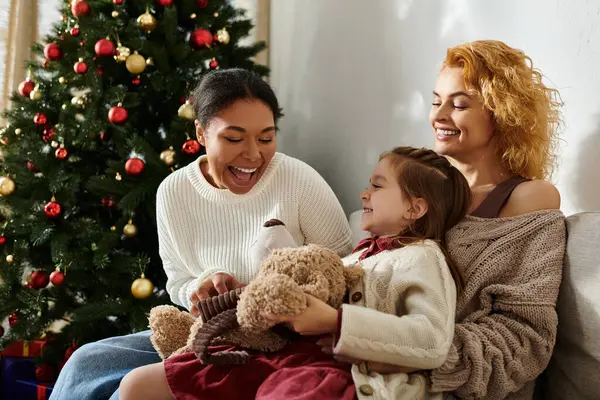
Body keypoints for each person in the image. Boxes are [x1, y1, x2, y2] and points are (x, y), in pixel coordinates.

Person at [49, 68, 353, 400]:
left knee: (127, 390)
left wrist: (282, 298)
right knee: (87, 363)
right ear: (201, 134)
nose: (253, 154)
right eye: (234, 138)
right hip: (209, 330)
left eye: (266, 137)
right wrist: (202, 285)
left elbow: (345, 268)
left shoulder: (298, 180)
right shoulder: (174, 191)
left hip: (281, 337)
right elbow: (178, 280)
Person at [118, 146, 472, 400]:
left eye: (378, 186)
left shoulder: (423, 259)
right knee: (140, 385)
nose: (364, 193)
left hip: (335, 374)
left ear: (415, 207)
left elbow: (431, 340)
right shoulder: (359, 255)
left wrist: (336, 322)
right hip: (286, 355)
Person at [426, 40, 567, 399]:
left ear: (501, 113)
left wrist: (403, 346)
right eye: (435, 100)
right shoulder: (425, 189)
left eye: (458, 104)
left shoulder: (529, 197)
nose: (438, 115)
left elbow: (525, 334)